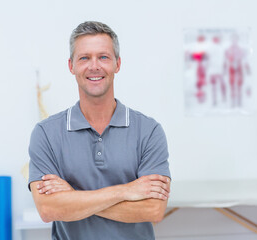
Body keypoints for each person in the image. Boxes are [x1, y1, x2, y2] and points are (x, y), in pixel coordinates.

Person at [28, 21, 171, 240]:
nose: (94, 66)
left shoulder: (148, 131)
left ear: (117, 64)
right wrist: (124, 191)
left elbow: (153, 210)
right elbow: (48, 210)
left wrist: (72, 198)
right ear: (71, 66)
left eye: (103, 57)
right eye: (84, 58)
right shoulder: (46, 134)